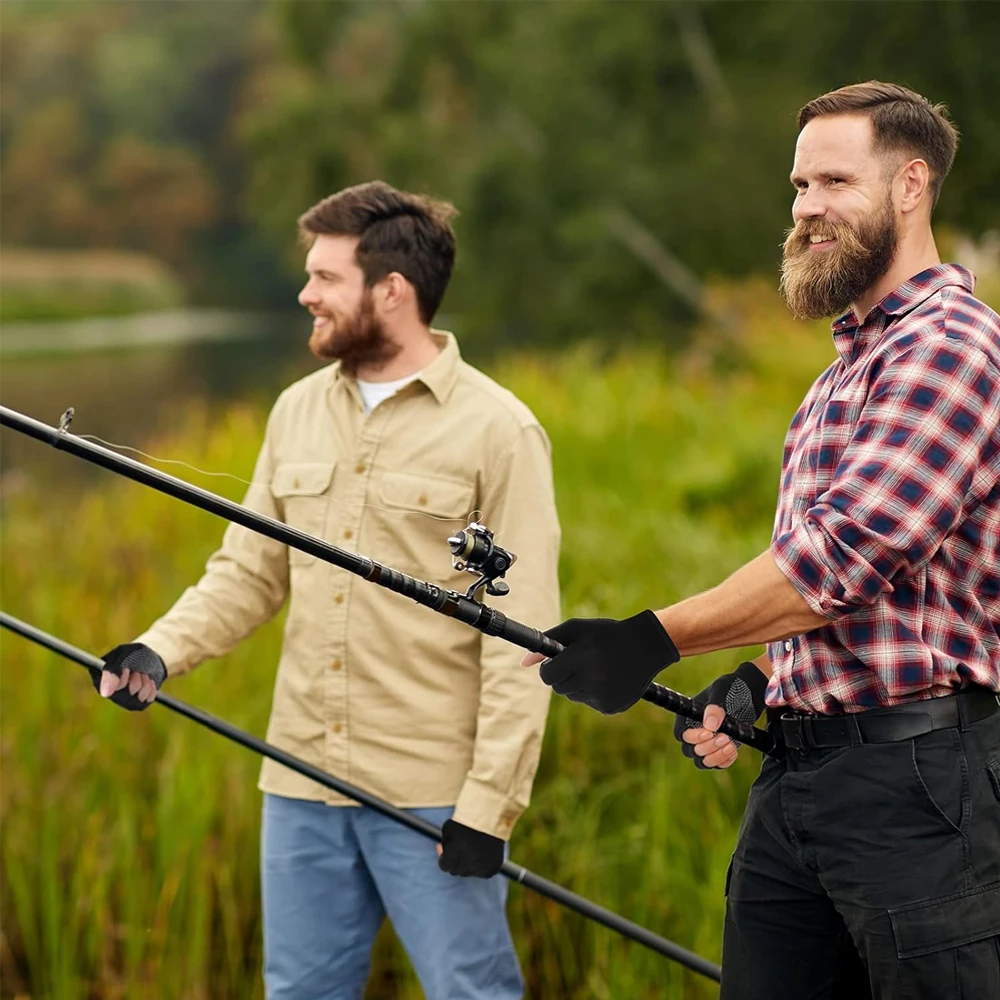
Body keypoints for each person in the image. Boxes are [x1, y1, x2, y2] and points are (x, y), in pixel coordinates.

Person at [523, 81, 1000, 998]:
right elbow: (854, 595)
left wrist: (651, 639)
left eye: (833, 182)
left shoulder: (949, 345)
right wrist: (760, 683)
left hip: (922, 791)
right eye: (797, 186)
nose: (807, 209)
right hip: (798, 783)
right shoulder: (843, 371)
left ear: (910, 186)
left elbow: (847, 556)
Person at [95, 181, 561, 1000]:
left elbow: (521, 635)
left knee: (472, 992)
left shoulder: (499, 431)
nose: (305, 293)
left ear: (392, 291)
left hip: (433, 797)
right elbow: (247, 573)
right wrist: (157, 650)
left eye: (324, 277)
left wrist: (489, 808)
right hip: (299, 784)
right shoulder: (295, 413)